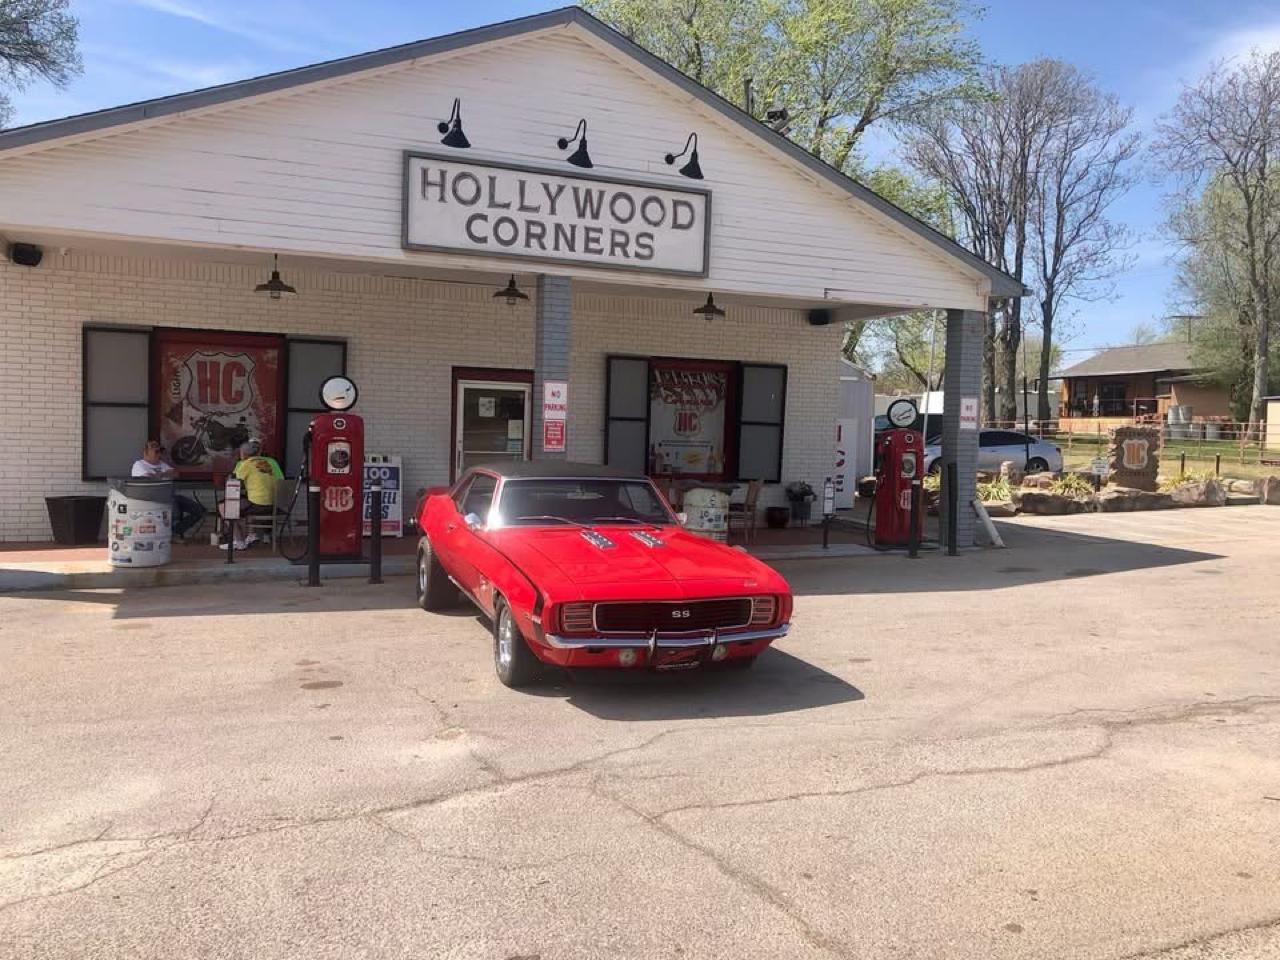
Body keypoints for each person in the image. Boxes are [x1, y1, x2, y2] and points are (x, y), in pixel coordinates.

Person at [131, 440, 206, 540]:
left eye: (160, 451)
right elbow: (149, 478)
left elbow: (175, 473)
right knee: (173, 505)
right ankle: (174, 530)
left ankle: (176, 530)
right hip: (151, 499)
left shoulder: (162, 464)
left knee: (199, 510)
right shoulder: (139, 465)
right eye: (156, 452)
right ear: (146, 452)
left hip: (168, 495)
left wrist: (161, 474)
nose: (159, 454)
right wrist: (164, 474)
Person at [220, 439, 282, 549]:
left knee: (225, 507)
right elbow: (281, 480)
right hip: (275, 504)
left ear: (243, 454)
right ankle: (251, 535)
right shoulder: (271, 462)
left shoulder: (246, 464)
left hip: (259, 505)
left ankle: (239, 541)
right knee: (245, 502)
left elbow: (233, 482)